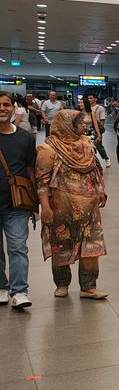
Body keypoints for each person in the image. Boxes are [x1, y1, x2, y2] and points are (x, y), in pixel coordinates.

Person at [36, 110, 109, 300]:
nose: (84, 127)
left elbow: (95, 170)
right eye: (81, 124)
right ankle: (62, 284)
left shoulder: (86, 144)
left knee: (91, 247)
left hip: (90, 208)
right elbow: (42, 182)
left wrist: (100, 189)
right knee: (61, 245)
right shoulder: (48, 149)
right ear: (67, 125)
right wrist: (45, 207)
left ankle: (88, 287)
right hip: (61, 209)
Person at [0, 93, 36, 309]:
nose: (2, 108)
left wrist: (36, 202)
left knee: (17, 247)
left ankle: (19, 291)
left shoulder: (25, 138)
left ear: (13, 109)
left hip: (17, 204)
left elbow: (31, 170)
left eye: (6, 105)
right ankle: (2, 287)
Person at [83, 93, 112, 169]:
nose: (89, 100)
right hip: (85, 131)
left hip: (95, 130)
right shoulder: (84, 109)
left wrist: (100, 132)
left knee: (99, 146)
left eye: (91, 98)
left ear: (95, 99)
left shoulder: (100, 108)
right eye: (88, 98)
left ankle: (106, 158)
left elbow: (102, 120)